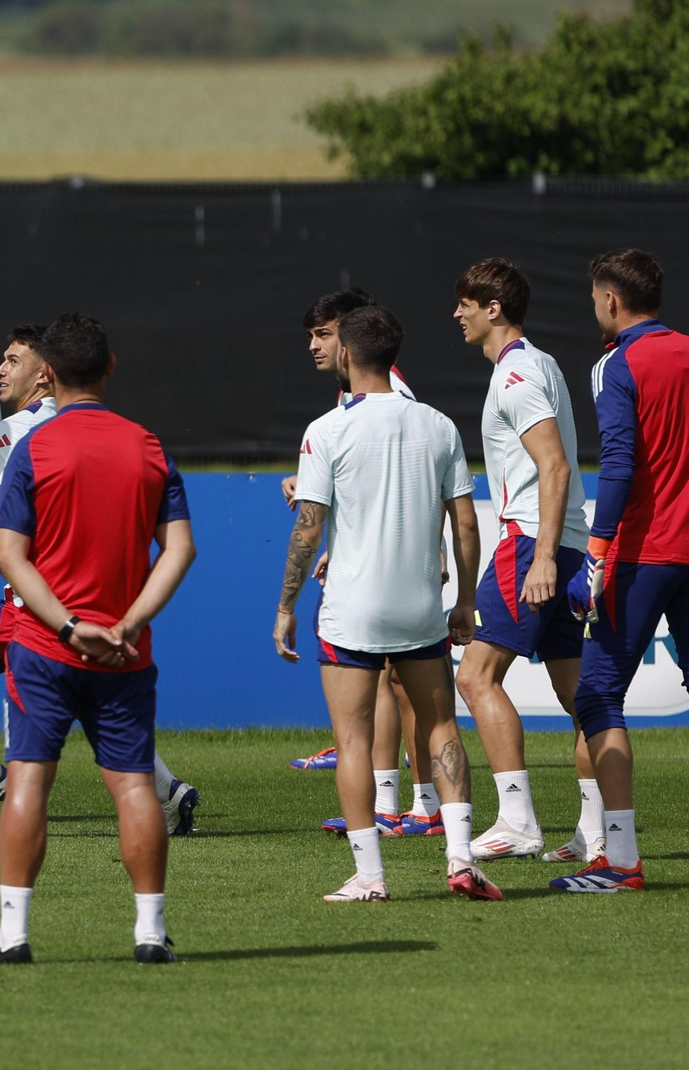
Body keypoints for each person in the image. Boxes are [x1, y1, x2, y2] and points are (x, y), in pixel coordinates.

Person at [0, 324, 201, 837]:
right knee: (97, 709)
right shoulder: (108, 437)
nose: (0, 368)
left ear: (46, 375)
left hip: (36, 614)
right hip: (72, 606)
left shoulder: (22, 434)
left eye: (13, 360)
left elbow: (18, 522)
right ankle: (166, 795)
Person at [0, 314, 196, 966]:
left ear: (48, 374)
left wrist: (68, 625)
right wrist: (127, 623)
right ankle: (150, 934)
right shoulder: (149, 446)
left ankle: (12, 938)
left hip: (45, 648)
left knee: (29, 784)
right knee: (132, 788)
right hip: (125, 655)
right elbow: (179, 549)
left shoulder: (34, 448)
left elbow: (10, 556)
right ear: (111, 367)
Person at [275, 305, 501, 903]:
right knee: (442, 728)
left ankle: (370, 876)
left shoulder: (326, 431)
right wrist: (467, 600)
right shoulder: (439, 424)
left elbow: (307, 528)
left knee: (351, 742)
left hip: (352, 612)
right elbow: (466, 525)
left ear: (347, 354)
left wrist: (285, 606)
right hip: (422, 607)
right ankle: (460, 857)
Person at [556, 249, 689, 893]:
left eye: (594, 298)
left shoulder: (616, 363)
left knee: (598, 695)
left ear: (612, 300)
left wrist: (598, 554)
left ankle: (622, 859)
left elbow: (618, 462)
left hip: (640, 556)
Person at [449, 258, 604, 863]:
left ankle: (516, 821)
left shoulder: (516, 374)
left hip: (533, 546)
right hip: (563, 545)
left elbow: (556, 466)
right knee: (583, 700)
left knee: (474, 676)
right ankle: (596, 834)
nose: (456, 313)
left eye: (466, 302)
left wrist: (539, 559)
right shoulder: (539, 364)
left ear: (494, 309)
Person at [282, 289, 442, 839]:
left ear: (351, 340)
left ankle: (414, 805)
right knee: (391, 685)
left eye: (323, 334)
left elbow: (418, 486)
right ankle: (405, 805)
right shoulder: (352, 402)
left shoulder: (388, 392)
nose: (314, 346)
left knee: (395, 687)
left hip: (395, 573)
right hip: (390, 567)